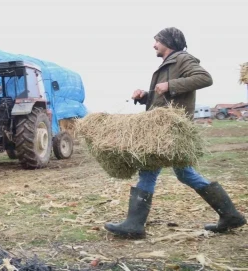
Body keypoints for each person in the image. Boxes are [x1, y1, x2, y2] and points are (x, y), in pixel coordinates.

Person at [104, 27, 246, 239]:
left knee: (149, 168)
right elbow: (162, 96)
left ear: (167, 42)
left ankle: (134, 224)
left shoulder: (182, 59)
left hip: (170, 130)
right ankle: (231, 216)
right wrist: (145, 96)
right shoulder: (167, 64)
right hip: (165, 128)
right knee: (185, 173)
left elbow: (204, 78)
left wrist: (170, 85)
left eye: (157, 41)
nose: (154, 45)